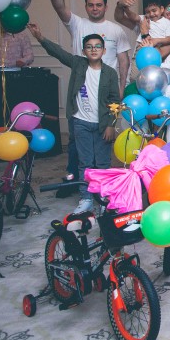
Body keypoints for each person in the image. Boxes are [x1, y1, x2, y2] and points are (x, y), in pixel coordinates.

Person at [47, 0, 130, 193]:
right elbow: (60, 8)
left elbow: (124, 60)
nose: (95, 8)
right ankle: (75, 182)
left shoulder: (115, 30)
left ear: (105, 7)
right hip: (81, 93)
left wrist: (121, 87)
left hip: (106, 94)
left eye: (99, 5)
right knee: (76, 141)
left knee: (104, 139)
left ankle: (100, 187)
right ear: (86, 7)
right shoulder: (77, 24)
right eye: (91, 5)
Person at [27, 24, 119, 214]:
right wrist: (40, 38)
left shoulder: (110, 73)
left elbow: (115, 101)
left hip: (102, 124)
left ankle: (103, 197)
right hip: (80, 122)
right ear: (84, 51)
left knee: (102, 163)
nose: (93, 49)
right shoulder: (78, 64)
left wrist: (111, 125)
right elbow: (59, 53)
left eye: (97, 46)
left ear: (104, 50)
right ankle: (86, 198)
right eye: (89, 47)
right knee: (85, 162)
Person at [114, 0, 170, 77]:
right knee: (135, 77)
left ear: (161, 9)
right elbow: (133, 17)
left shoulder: (166, 23)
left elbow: (169, 39)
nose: (151, 14)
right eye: (148, 12)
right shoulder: (145, 19)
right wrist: (125, 8)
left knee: (151, 78)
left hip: (154, 55)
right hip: (140, 49)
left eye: (154, 10)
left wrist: (156, 40)